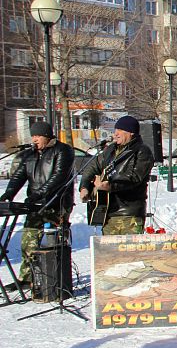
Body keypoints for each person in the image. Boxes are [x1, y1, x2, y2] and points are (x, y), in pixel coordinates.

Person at [1, 122, 74, 290]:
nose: (34, 139)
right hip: (35, 205)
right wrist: (8, 193)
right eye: (33, 136)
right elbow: (18, 176)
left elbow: (58, 177)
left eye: (38, 136)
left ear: (47, 136)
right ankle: (27, 278)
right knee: (29, 240)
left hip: (56, 204)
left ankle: (59, 280)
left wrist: (38, 194)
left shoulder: (63, 151)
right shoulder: (30, 154)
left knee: (56, 244)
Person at [79, 115, 154, 235]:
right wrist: (84, 186)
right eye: (115, 130)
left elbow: (134, 178)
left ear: (131, 133)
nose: (116, 134)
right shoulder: (110, 150)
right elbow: (92, 167)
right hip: (107, 212)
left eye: (120, 130)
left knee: (128, 246)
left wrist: (110, 186)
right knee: (108, 247)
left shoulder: (142, 151)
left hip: (129, 213)